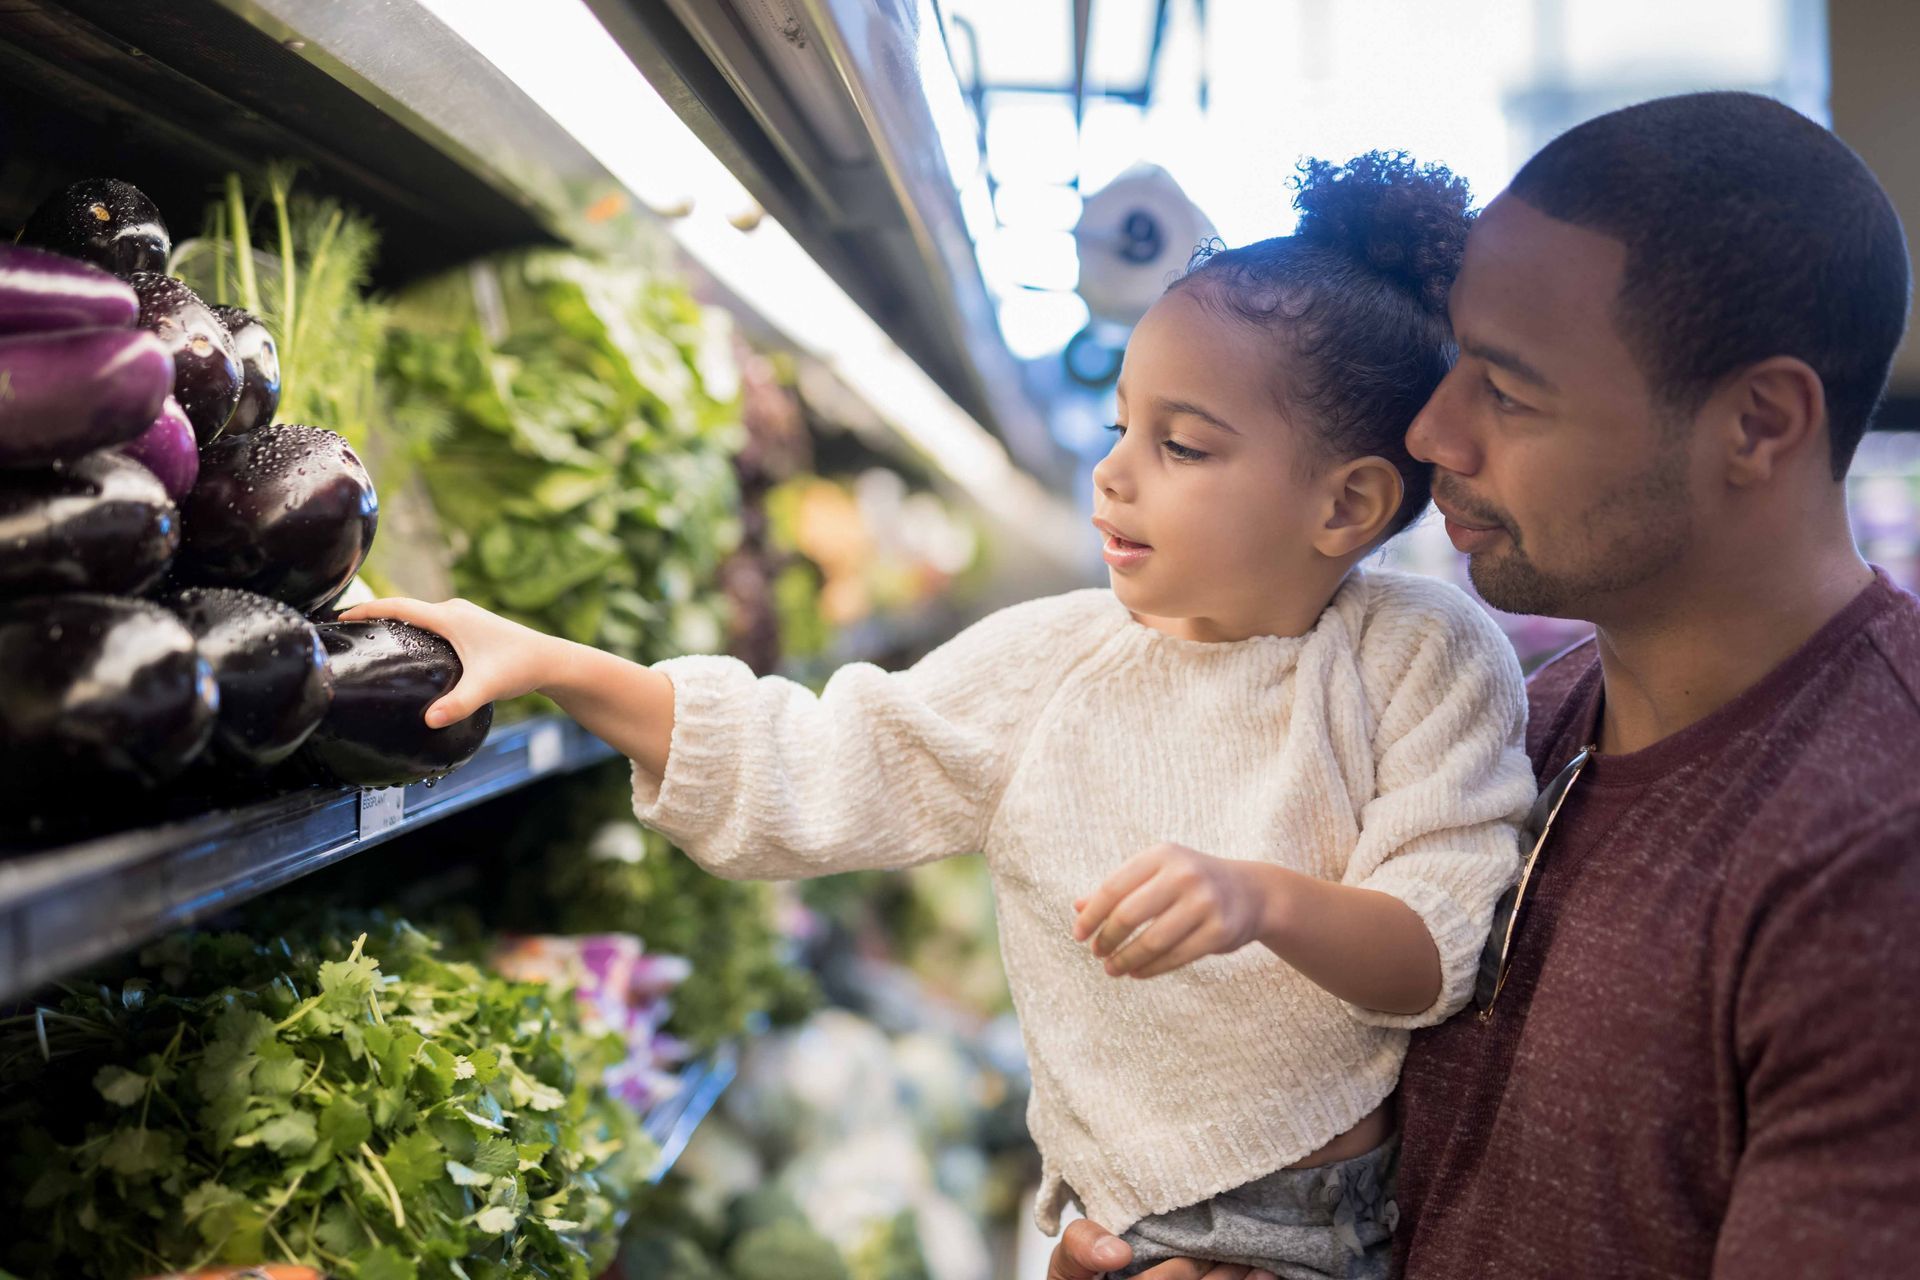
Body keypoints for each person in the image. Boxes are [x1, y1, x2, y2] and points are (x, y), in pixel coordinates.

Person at [342, 154, 1536, 1280]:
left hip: (1311, 1233)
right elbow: (802, 758)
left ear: (1349, 503)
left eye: (1180, 444)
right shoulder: (1051, 661)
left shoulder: (1422, 654)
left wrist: (1257, 897)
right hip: (1107, 1220)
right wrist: (559, 661)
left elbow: (1435, 952)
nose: (1113, 472)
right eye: (1122, 422)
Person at [1048, 90, 1920, 1280]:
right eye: (1455, 362)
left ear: (1757, 422)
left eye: (1507, 390)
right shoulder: (1525, 716)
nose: (1430, 431)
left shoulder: (1879, 849)